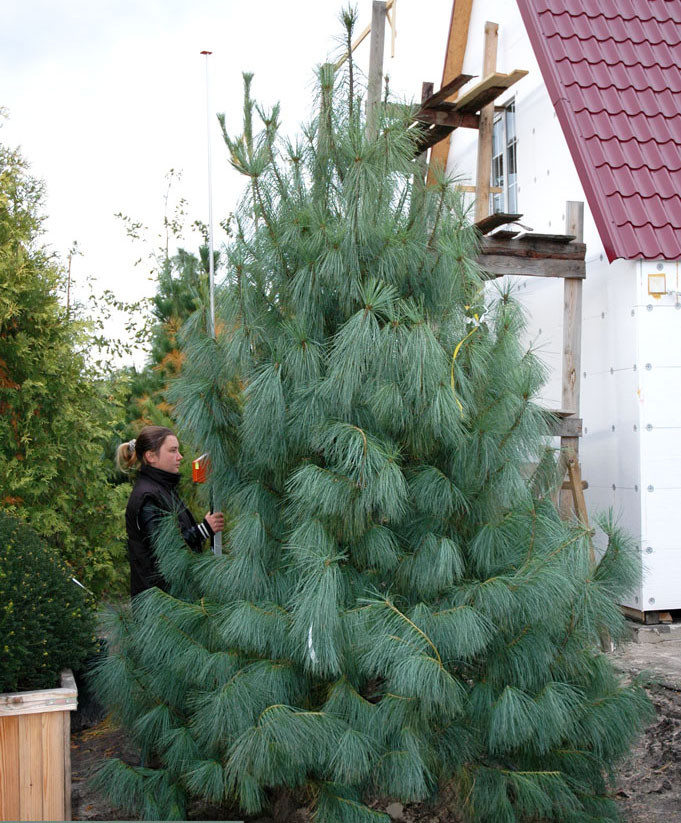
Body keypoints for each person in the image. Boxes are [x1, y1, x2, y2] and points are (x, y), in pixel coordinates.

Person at [116, 425, 224, 598]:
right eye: (173, 450)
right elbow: (165, 552)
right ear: (151, 456)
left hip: (173, 599)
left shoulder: (163, 490)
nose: (180, 457)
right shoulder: (148, 496)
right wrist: (203, 530)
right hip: (161, 605)